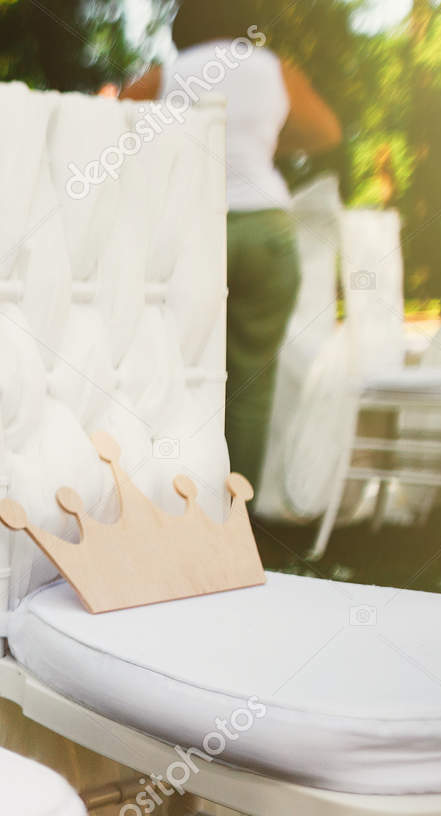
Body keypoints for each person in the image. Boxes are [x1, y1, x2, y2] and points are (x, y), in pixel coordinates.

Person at [123, 1, 341, 486]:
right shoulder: (274, 69)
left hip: (198, 232)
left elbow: (113, 133)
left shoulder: (167, 74)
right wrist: (263, 138)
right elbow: (326, 130)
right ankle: (235, 524)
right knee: (250, 387)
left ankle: (174, 500)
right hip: (267, 231)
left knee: (178, 376)